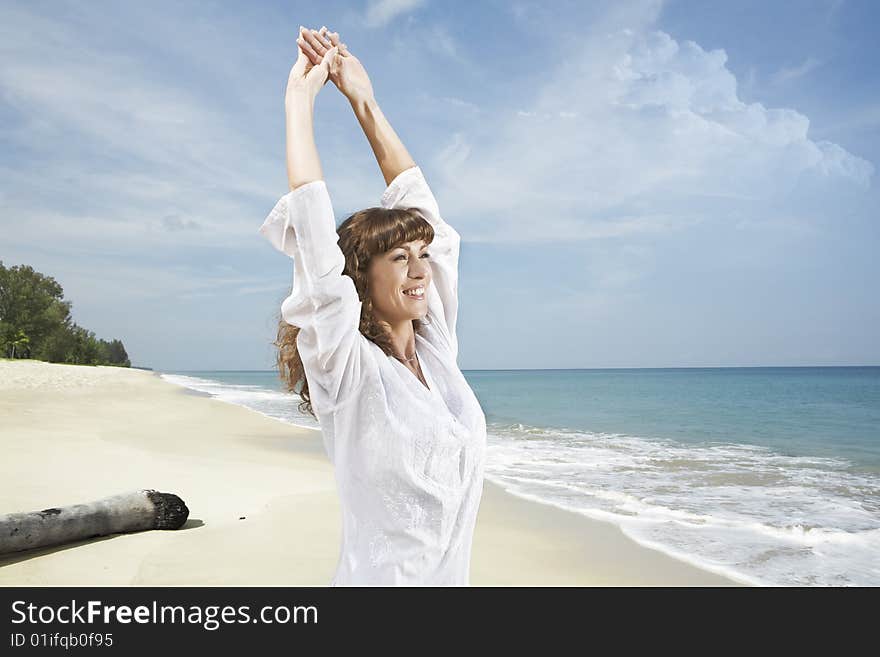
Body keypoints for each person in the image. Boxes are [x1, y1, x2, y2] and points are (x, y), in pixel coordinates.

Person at [257, 25, 488, 586]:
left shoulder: (436, 353)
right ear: (359, 276)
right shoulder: (349, 371)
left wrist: (363, 100)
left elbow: (428, 217)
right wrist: (299, 98)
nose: (419, 269)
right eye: (398, 258)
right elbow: (314, 240)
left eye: (421, 255)